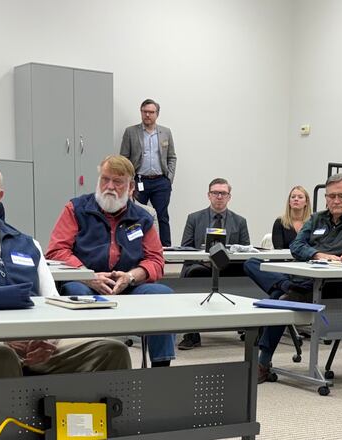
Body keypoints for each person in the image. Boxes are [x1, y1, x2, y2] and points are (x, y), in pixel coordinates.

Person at [0, 158, 130, 380]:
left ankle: (94, 415)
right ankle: (9, 416)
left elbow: (53, 302)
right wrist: (4, 338)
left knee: (112, 351)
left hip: (33, 339)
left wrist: (46, 338)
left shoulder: (27, 244)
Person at [244, 173, 342, 383]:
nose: (336, 201)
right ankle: (286, 286)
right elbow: (297, 246)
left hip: (331, 287)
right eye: (331, 196)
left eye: (341, 196)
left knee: (282, 303)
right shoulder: (317, 218)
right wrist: (317, 254)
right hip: (304, 277)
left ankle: (263, 363)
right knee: (252, 263)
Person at [46, 155, 175, 367]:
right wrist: (88, 276)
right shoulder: (76, 208)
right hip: (85, 282)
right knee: (76, 293)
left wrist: (131, 276)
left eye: (118, 182)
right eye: (105, 179)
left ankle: (161, 369)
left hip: (128, 285)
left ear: (131, 187)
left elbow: (155, 259)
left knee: (162, 296)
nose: (109, 186)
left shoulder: (142, 218)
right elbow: (56, 250)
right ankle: (86, 361)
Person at [177, 177, 250, 350]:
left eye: (223, 193)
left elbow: (245, 250)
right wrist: (202, 257)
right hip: (201, 265)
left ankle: (248, 326)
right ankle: (191, 333)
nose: (219, 196)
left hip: (229, 266)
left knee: (248, 273)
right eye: (215, 193)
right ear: (208, 195)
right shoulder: (194, 218)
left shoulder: (240, 221)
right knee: (191, 272)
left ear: (229, 197)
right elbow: (185, 248)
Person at [120, 98, 176, 247]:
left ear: (157, 114)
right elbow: (123, 158)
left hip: (160, 181)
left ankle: (165, 250)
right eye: (145, 112)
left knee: (162, 215)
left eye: (151, 112)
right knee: (135, 215)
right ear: (141, 112)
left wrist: (168, 178)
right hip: (139, 181)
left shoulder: (166, 132)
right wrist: (128, 181)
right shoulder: (131, 132)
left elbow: (171, 157)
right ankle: (136, 247)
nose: (147, 115)